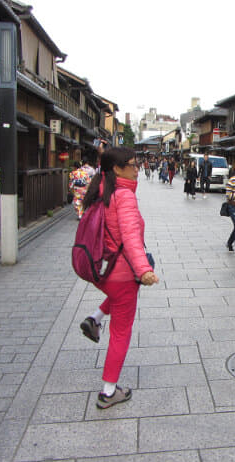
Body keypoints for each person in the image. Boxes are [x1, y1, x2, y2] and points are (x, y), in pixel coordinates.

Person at [80, 147, 159, 409]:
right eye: (134, 165)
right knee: (121, 332)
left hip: (101, 270)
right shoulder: (123, 195)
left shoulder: (100, 188)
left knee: (118, 298)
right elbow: (130, 237)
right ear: (117, 168)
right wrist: (143, 270)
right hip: (121, 273)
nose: (138, 169)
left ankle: (95, 318)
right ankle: (108, 391)